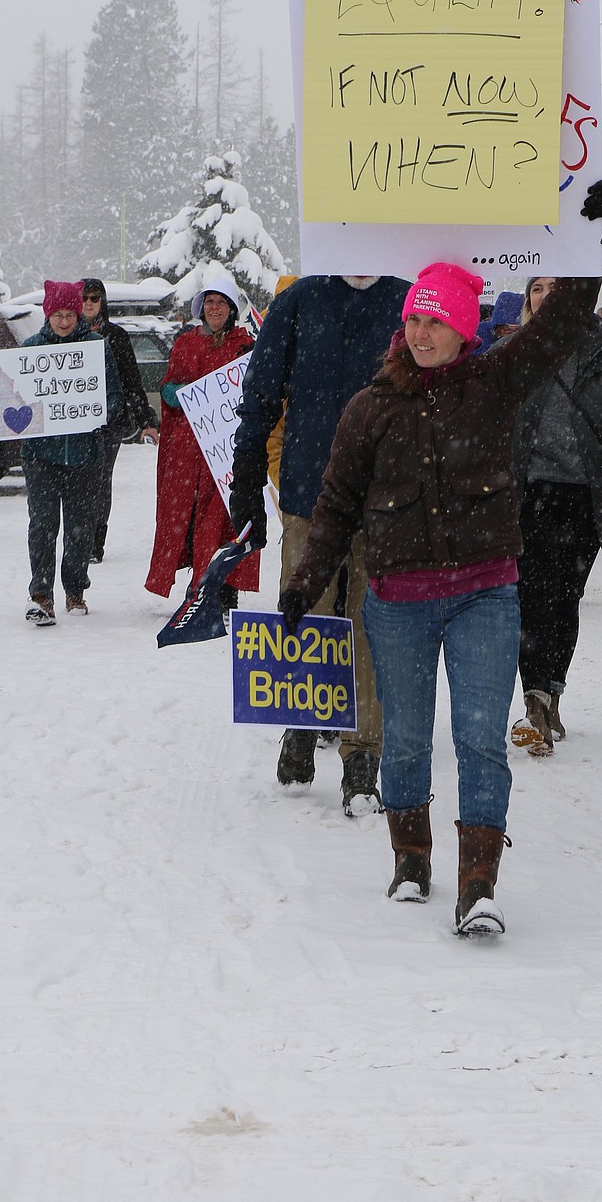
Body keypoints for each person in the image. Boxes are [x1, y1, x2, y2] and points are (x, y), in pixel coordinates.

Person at [276, 182, 602, 936]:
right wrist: (305, 582)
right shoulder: (370, 406)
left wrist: (590, 242)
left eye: (437, 321)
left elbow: (562, 322)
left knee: (477, 735)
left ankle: (478, 881)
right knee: (403, 736)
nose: (423, 333)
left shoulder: (496, 383)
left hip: (484, 595)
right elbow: (334, 505)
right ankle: (410, 857)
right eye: (415, 320)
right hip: (397, 599)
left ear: (465, 329)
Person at [228, 271, 410, 812]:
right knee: (304, 611)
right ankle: (301, 724)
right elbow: (259, 396)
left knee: (370, 624)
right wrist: (246, 482)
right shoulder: (300, 301)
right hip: (310, 488)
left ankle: (362, 755)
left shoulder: (406, 300)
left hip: (386, 496)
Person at [510, 275, 602, 755]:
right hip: (528, 492)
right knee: (531, 596)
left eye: (558, 286)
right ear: (528, 299)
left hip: (585, 495)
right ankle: (534, 698)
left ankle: (552, 688)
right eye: (538, 288)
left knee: (565, 597)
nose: (547, 296)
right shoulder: (513, 352)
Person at [145, 269, 260, 607]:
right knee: (186, 515)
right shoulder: (185, 343)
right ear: (201, 307)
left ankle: (222, 585)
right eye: (209, 302)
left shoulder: (245, 346)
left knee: (225, 519)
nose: (214, 308)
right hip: (186, 451)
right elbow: (167, 386)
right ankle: (198, 583)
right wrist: (176, 394)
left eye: (221, 302)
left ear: (231, 308)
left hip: (226, 451)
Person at [21, 280, 123, 624]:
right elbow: (17, 398)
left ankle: (75, 590)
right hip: (40, 455)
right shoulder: (31, 349)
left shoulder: (96, 347)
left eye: (69, 314)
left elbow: (114, 396)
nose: (64, 321)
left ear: (78, 314)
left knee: (81, 525)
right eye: (57, 314)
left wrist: (101, 412)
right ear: (47, 314)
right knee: (43, 525)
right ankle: (41, 594)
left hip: (85, 454)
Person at [79, 277, 159, 564]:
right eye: (84, 298)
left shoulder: (116, 336)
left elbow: (131, 382)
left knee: (100, 482)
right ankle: (77, 538)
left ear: (103, 302)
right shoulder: (65, 334)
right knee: (75, 484)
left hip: (108, 422)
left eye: (94, 298)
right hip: (73, 422)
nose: (88, 303)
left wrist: (146, 419)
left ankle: (94, 543)